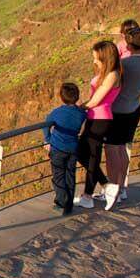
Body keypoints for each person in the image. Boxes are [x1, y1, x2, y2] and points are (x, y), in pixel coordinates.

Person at [104, 27, 140, 210]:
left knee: (112, 150)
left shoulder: (125, 64)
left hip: (118, 111)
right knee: (123, 149)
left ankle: (112, 191)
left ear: (128, 44)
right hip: (134, 109)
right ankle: (121, 188)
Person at [74, 41, 122, 209]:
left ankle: (88, 196)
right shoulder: (106, 73)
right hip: (94, 118)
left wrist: (77, 108)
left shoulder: (113, 75)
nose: (94, 61)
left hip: (101, 120)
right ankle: (107, 185)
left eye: (96, 58)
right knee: (82, 153)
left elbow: (96, 100)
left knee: (92, 157)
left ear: (105, 57)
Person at [43, 83, 87, 215]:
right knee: (70, 175)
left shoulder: (57, 112)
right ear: (77, 96)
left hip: (57, 148)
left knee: (58, 175)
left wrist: (48, 139)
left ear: (61, 97)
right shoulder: (81, 113)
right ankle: (69, 205)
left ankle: (61, 203)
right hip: (73, 147)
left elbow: (46, 125)